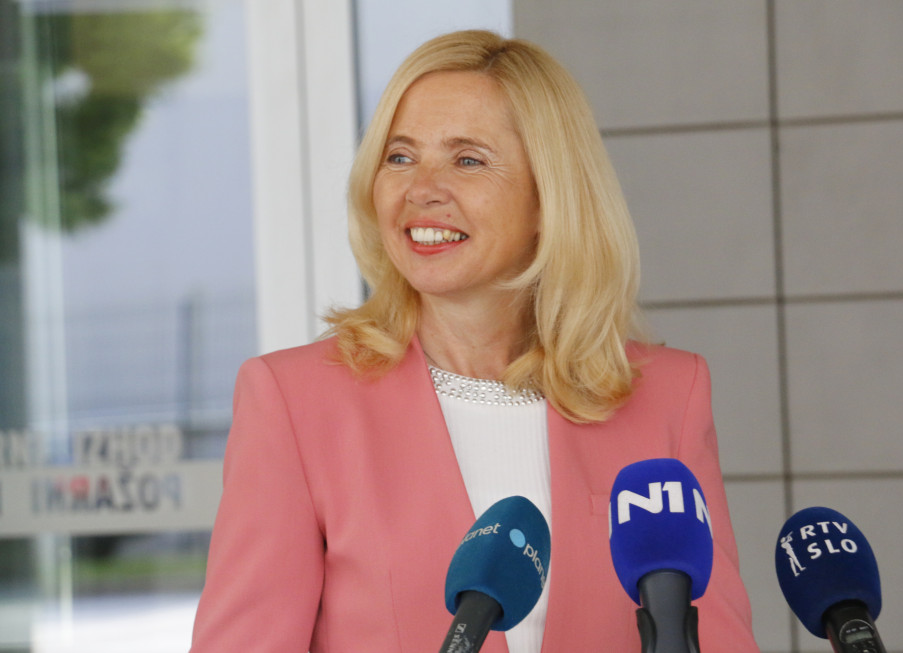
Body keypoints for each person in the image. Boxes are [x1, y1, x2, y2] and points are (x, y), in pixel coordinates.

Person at [190, 29, 759, 652]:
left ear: (550, 197)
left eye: (467, 160)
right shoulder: (294, 403)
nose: (420, 190)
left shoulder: (668, 398)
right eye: (399, 157)